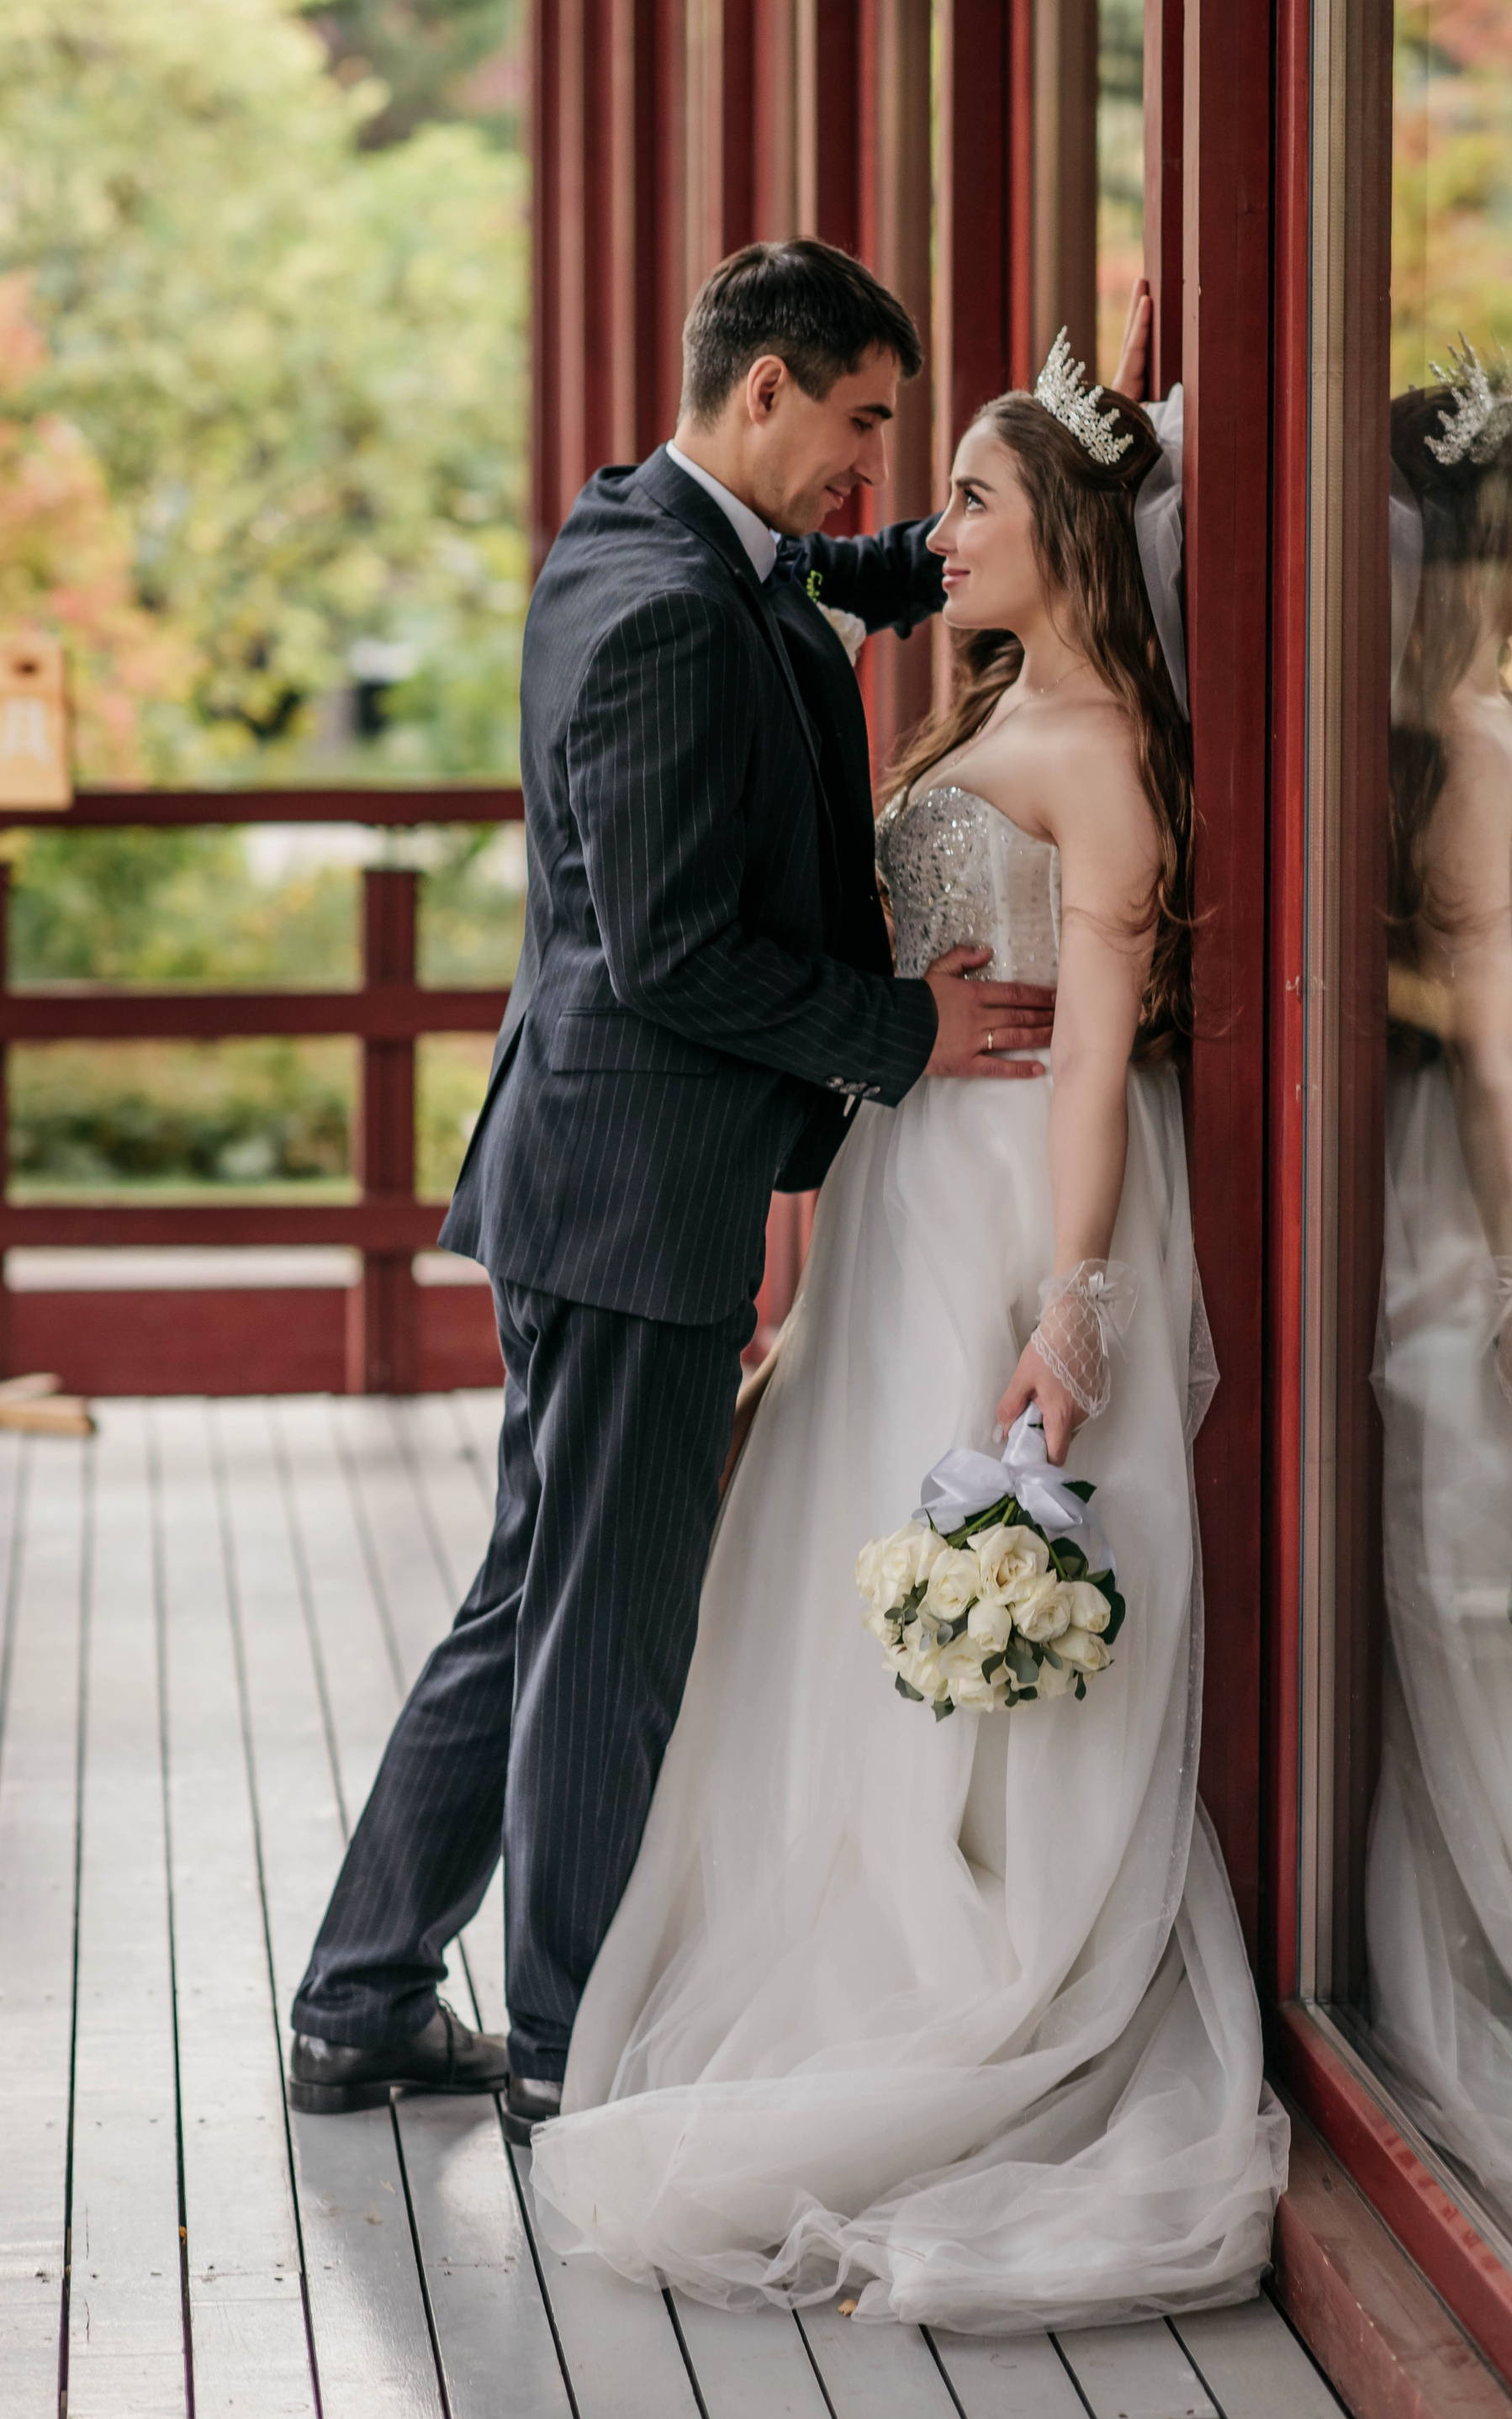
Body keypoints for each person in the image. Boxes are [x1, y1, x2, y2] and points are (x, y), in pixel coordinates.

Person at [522, 331, 1288, 2331]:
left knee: (963, 1543)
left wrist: (1075, 1301)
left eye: (970, 497)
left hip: (1011, 1201)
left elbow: (1096, 1055)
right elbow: (825, 572)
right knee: (832, 1557)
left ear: (1070, 540)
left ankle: (976, 1951)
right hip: (899, 1185)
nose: (930, 528)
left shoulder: (1099, 749)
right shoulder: (998, 694)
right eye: (914, 473)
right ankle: (833, 1901)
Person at [285, 240, 1059, 2129]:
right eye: (863, 421)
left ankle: (363, 1996)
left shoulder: (653, 529)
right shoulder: (669, 609)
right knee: (607, 1629)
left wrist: (1053, 470)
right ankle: (569, 2039)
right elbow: (672, 953)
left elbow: (851, 576)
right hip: (632, 1197)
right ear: (766, 386)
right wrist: (905, 1030)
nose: (876, 469)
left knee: (534, 1592)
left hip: (587, 1173)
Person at [1366, 352, 1512, 2232]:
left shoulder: (1470, 714)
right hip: (1481, 1186)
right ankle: (1509, 1963)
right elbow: (1494, 1051)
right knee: (1492, 1579)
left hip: (1469, 1165)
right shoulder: (1479, 741)